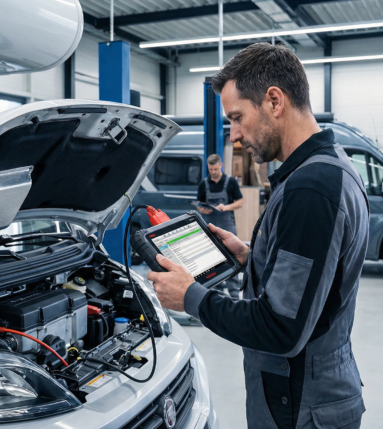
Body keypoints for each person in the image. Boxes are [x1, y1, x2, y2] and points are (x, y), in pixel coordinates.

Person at [147, 43, 369, 429]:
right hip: (312, 392)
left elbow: (280, 329)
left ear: (274, 101)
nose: (233, 135)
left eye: (237, 117)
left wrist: (190, 297)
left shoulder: (311, 188)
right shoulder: (329, 165)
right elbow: (319, 274)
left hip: (301, 406)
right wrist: (253, 256)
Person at [196, 154, 244, 298]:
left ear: (221, 166)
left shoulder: (230, 182)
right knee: (211, 260)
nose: (213, 172)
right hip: (209, 227)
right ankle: (216, 293)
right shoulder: (203, 184)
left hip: (227, 225)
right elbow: (199, 205)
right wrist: (203, 210)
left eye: (216, 169)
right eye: (211, 169)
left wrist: (227, 206)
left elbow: (240, 202)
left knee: (231, 259)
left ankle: (234, 294)